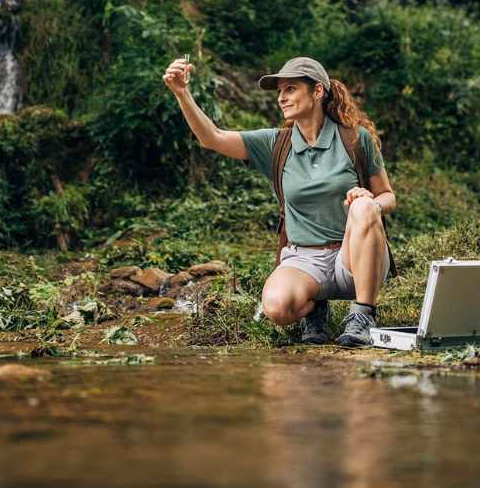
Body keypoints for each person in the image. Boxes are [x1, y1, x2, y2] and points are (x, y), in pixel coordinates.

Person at [162, 56, 395, 346]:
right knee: (276, 307)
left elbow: (388, 195)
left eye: (291, 89)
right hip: (304, 259)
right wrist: (181, 93)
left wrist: (370, 200)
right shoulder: (276, 144)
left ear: (318, 91)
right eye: (280, 92)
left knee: (363, 206)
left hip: (354, 257)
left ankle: (362, 315)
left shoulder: (354, 139)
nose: (282, 98)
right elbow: (212, 137)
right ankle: (315, 307)